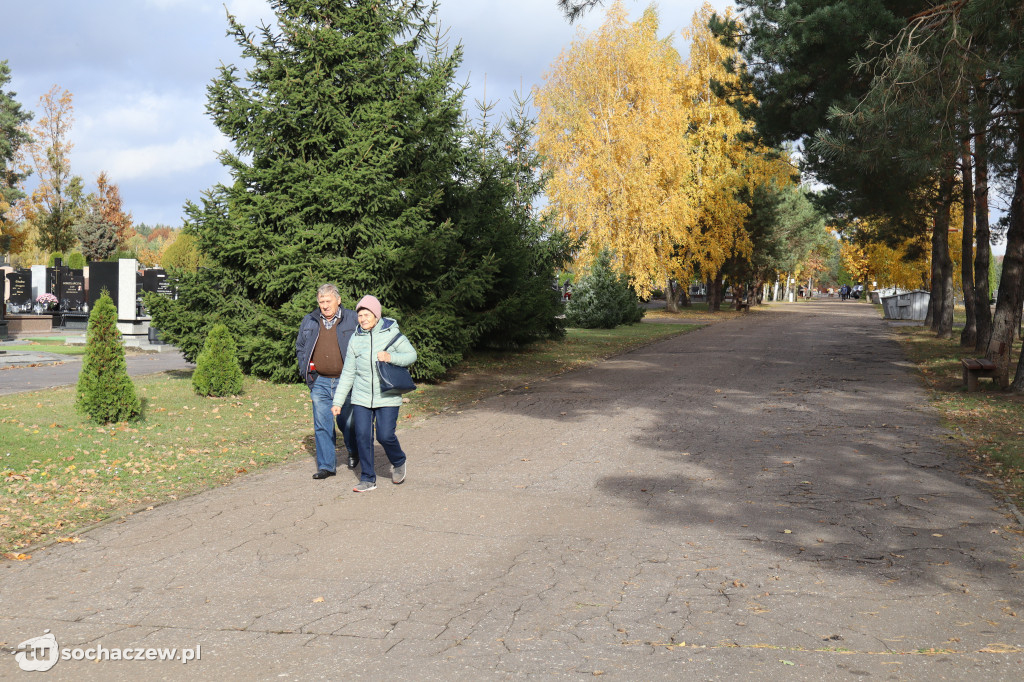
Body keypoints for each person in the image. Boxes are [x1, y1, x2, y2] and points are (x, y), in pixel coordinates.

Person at [331, 295, 417, 493]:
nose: (362, 319)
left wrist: (390, 357)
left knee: (385, 436)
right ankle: (368, 478)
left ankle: (398, 460)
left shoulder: (391, 334)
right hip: (361, 397)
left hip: (387, 395)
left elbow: (411, 355)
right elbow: (348, 373)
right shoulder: (355, 338)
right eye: (360, 315)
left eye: (366, 314)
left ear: (376, 315)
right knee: (362, 436)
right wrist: (338, 401)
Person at [295, 283, 358, 480]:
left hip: (345, 382)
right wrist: (309, 376)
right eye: (321, 301)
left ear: (338, 301)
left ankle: (353, 451)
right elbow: (301, 348)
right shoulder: (310, 321)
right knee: (322, 424)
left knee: (347, 422)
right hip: (320, 381)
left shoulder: (353, 319)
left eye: (328, 301)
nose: (324, 305)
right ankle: (326, 466)